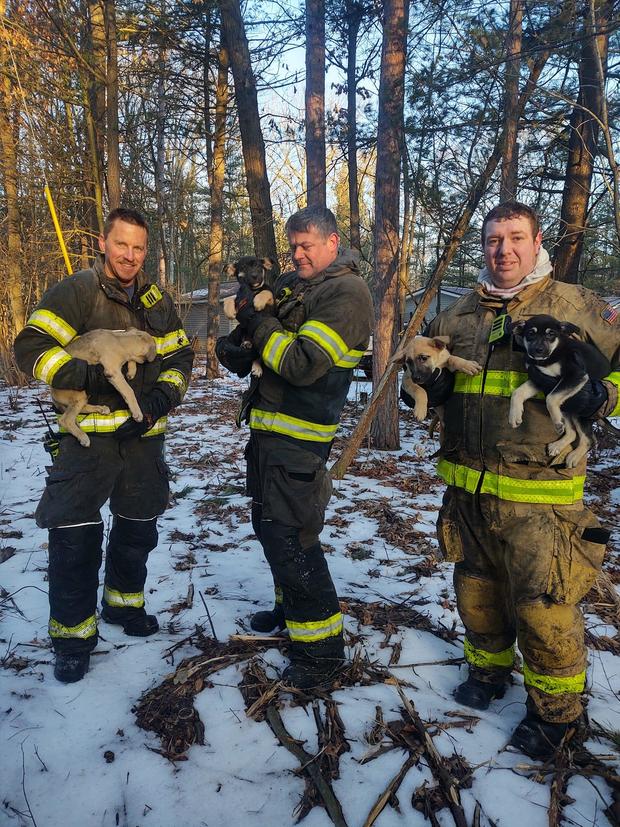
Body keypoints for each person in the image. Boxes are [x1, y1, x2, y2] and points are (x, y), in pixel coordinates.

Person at [401, 201, 619, 760]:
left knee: (544, 605)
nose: (504, 250)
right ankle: (489, 673)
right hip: (468, 489)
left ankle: (557, 715)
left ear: (537, 240)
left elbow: (616, 371)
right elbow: (419, 377)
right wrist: (424, 387)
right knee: (476, 591)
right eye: (494, 240)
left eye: (516, 238)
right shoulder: (458, 315)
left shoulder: (577, 307)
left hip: (541, 498)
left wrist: (605, 395)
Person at [14, 208, 194, 683]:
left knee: (137, 530)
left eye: (138, 248)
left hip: (143, 440)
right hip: (86, 441)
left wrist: (160, 399)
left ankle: (123, 607)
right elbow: (30, 347)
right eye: (121, 245)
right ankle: (72, 637)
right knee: (74, 535)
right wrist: (87, 375)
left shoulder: (157, 301)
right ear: (103, 242)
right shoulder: (77, 291)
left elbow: (181, 355)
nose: (129, 256)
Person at [216, 206, 373, 689]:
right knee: (270, 530)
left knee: (292, 539)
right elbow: (249, 344)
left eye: (307, 245)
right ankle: (290, 612)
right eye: (293, 246)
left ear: (333, 241)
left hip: (301, 442)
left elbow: (302, 363)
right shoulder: (292, 284)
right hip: (267, 437)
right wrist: (239, 340)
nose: (298, 254)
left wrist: (259, 330)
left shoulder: (347, 293)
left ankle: (322, 654)